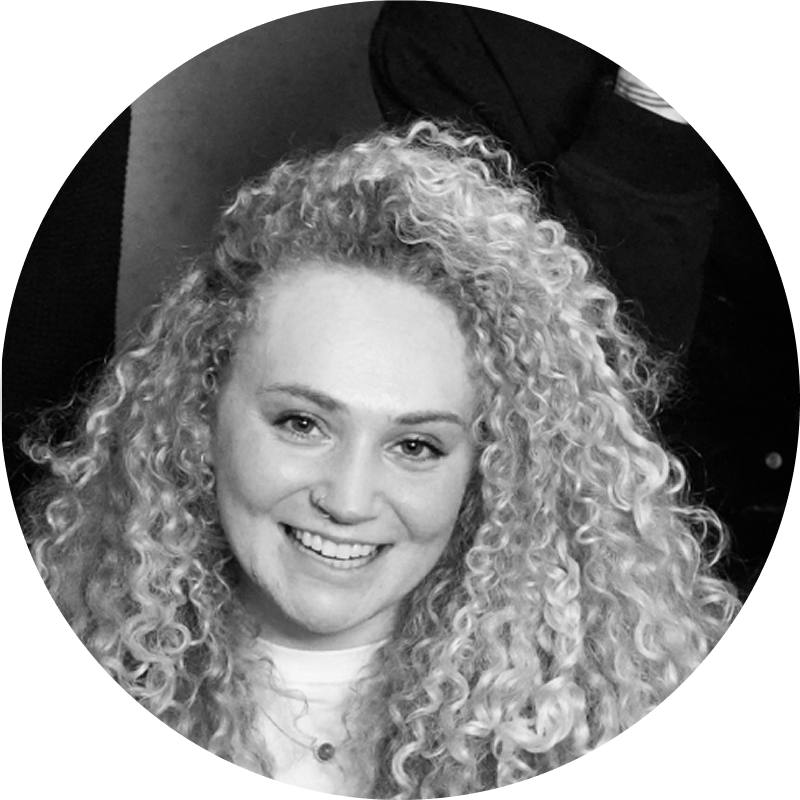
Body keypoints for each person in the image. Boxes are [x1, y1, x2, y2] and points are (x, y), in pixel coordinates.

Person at [21, 121, 741, 796]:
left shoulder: (599, 711)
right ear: (198, 414)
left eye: (416, 445)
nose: (350, 497)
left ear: (489, 471)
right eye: (302, 423)